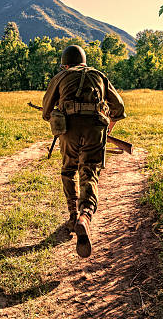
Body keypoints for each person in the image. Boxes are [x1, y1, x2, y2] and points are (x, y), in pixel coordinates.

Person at [42, 45, 125, 258]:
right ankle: (85, 216)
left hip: (68, 130)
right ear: (84, 61)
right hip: (96, 129)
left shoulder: (61, 77)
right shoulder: (99, 76)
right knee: (89, 173)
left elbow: (45, 111)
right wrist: (108, 128)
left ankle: (72, 215)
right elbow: (119, 108)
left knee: (69, 171)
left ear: (66, 64)